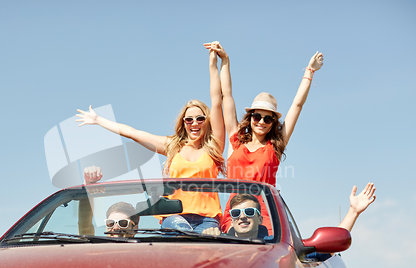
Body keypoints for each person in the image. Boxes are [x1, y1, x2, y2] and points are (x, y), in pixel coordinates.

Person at [75, 50, 226, 233]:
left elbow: (217, 101)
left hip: (207, 220)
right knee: (182, 232)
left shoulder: (213, 147)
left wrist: (214, 64)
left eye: (200, 119)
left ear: (207, 122)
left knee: (208, 247)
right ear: (183, 123)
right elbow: (132, 133)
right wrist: (99, 120)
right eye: (189, 120)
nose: (194, 123)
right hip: (174, 217)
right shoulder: (172, 147)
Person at [204, 41, 324, 233]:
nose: (261, 121)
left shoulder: (275, 146)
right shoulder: (236, 141)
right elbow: (226, 95)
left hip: (265, 216)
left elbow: (297, 106)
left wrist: (310, 71)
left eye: (267, 118)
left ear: (273, 123)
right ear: (250, 117)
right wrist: (225, 61)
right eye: (257, 116)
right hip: (234, 214)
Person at [203, 183, 377, 255]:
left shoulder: (281, 249)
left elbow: (325, 248)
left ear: (260, 219)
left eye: (249, 212)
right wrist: (206, 241)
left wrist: (353, 212)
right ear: (231, 220)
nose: (242, 216)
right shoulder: (216, 243)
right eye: (235, 214)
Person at [78, 166, 139, 238]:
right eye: (110, 223)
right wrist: (87, 186)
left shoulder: (149, 248)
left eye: (123, 223)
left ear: (135, 229)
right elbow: (85, 227)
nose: (116, 228)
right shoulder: (96, 249)